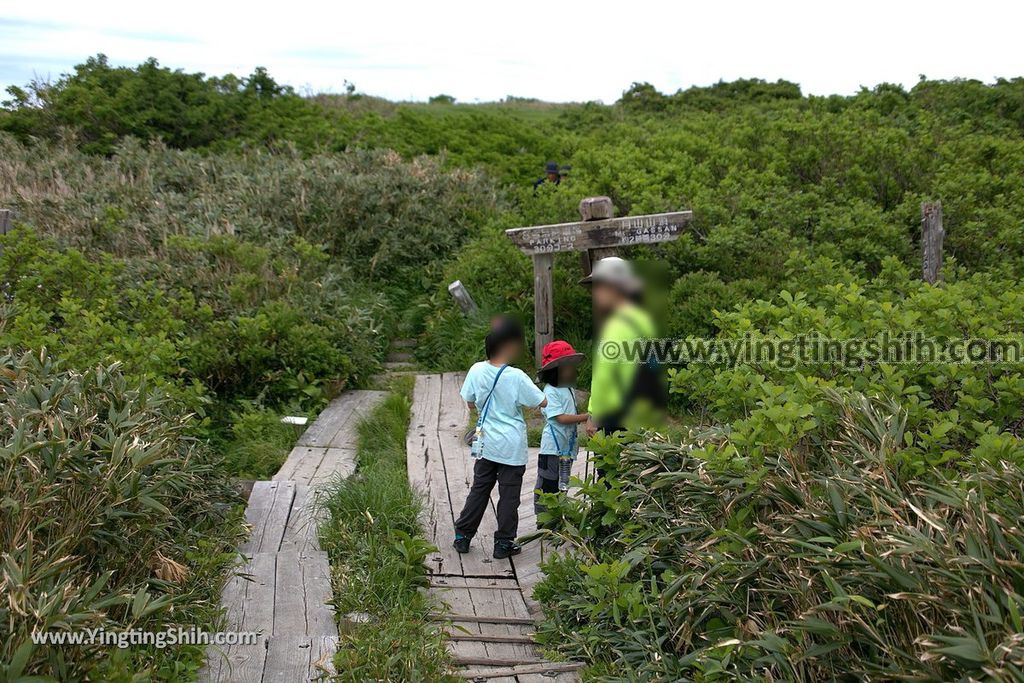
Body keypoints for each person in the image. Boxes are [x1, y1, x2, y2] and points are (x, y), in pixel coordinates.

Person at [454, 317, 547, 559]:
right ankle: (503, 544)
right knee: (509, 496)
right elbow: (542, 401)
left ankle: (463, 536)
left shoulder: (476, 370)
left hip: (486, 444)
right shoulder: (516, 376)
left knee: (479, 489)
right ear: (506, 347)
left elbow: (471, 402)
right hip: (512, 447)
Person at [582, 257, 666, 440]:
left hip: (614, 417)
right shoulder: (643, 321)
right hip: (641, 414)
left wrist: (593, 415)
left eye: (599, 287)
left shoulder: (615, 326)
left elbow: (604, 376)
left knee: (611, 467)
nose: (595, 293)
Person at [534, 340, 589, 522]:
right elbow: (560, 418)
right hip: (552, 449)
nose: (571, 370)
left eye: (572, 367)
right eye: (567, 367)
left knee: (562, 484)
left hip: (567, 449)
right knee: (547, 485)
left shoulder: (569, 389)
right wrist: (586, 417)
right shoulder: (550, 391)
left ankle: (558, 519)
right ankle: (543, 521)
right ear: (554, 371)